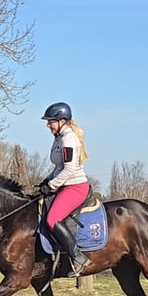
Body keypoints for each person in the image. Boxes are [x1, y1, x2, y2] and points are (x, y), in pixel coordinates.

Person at [38, 101, 92, 277]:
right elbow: (59, 167)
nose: (48, 125)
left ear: (62, 121)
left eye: (51, 121)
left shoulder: (69, 139)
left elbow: (69, 169)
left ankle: (78, 257)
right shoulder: (59, 138)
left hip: (75, 187)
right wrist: (47, 180)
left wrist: (52, 185)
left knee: (52, 219)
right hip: (65, 184)